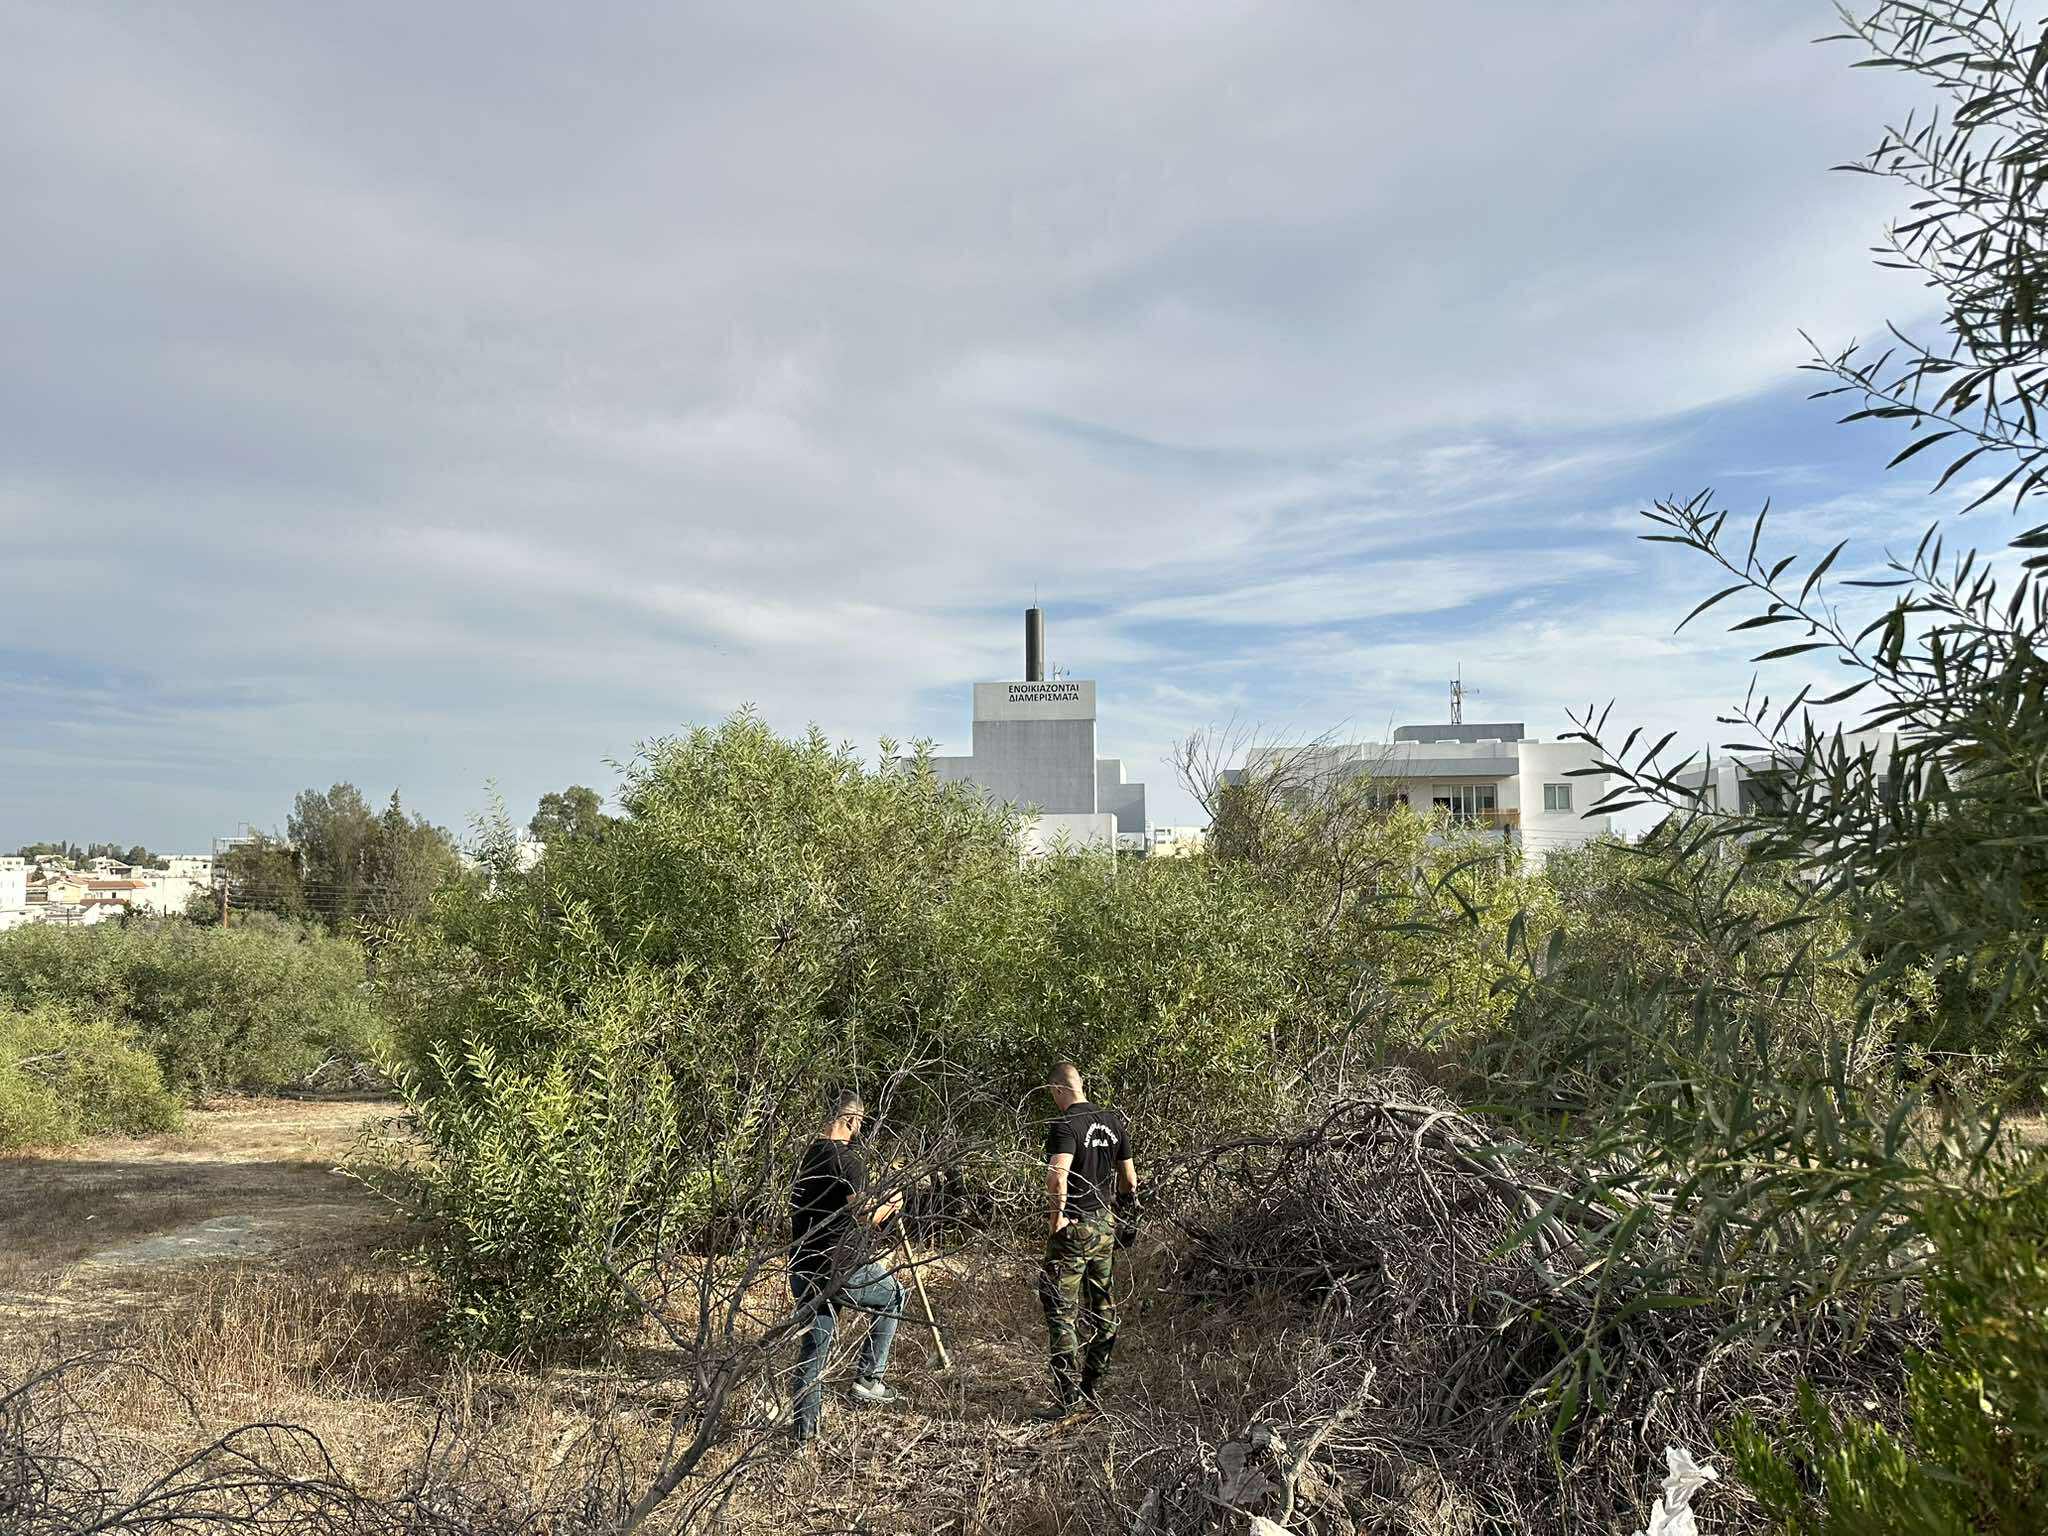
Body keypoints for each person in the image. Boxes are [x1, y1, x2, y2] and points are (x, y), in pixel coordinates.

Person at [788, 1089, 906, 1446]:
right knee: (894, 1295)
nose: (859, 1130)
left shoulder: (808, 1155)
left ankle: (803, 1438)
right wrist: (892, 1204)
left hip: (802, 1266)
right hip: (838, 1269)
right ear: (852, 1120)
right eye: (860, 1123)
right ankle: (869, 1379)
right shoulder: (848, 1159)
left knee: (815, 1347)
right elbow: (865, 1214)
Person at [1036, 1061, 1139, 1417]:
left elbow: (1056, 1177)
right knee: (1103, 1310)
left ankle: (1068, 1399)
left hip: (1075, 1227)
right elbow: (1130, 1181)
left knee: (1060, 1309)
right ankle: (1093, 1387)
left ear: (1059, 1090)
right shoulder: (1112, 1121)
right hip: (1104, 1225)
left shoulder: (1066, 1125)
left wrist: (1056, 1220)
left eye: (1052, 1094)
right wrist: (1123, 1214)